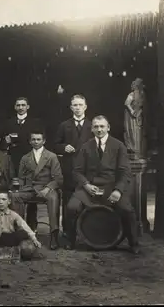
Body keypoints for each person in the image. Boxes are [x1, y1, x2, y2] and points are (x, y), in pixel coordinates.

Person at [65, 115, 139, 254]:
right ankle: (70, 240)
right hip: (89, 188)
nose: (99, 130)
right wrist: (86, 184)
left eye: (102, 126)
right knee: (72, 207)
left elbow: (125, 172)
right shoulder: (86, 147)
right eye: (96, 127)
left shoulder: (118, 146)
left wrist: (118, 191)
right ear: (92, 129)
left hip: (111, 187)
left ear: (108, 128)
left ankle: (133, 242)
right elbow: (77, 171)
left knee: (127, 210)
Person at [14, 131, 63, 250]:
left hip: (46, 188)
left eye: (38, 139)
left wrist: (48, 188)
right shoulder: (25, 158)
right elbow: (21, 177)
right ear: (30, 141)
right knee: (15, 197)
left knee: (53, 197)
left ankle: (54, 234)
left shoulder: (51, 156)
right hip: (30, 189)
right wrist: (19, 188)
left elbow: (58, 178)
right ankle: (20, 231)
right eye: (33, 140)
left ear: (44, 141)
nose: (36, 142)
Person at [54, 94, 93, 239]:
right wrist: (64, 147)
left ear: (85, 107)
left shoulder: (92, 125)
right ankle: (67, 232)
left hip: (87, 170)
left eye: (80, 105)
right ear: (71, 107)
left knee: (86, 199)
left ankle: (85, 230)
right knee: (68, 201)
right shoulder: (64, 125)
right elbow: (55, 145)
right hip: (69, 169)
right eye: (75, 105)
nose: (78, 108)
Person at [1, 97, 43, 174]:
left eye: (23, 105)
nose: (20, 107)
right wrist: (6, 142)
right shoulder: (9, 122)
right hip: (13, 157)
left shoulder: (35, 123)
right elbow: (2, 140)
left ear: (28, 107)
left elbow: (39, 140)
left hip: (30, 156)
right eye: (18, 105)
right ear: (15, 107)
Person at [124, 78, 145, 157]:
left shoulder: (142, 95)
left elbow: (142, 106)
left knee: (138, 132)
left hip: (138, 115)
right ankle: (132, 148)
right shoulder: (132, 94)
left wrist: (139, 113)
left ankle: (138, 150)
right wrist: (132, 111)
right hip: (131, 116)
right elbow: (127, 103)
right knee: (131, 131)